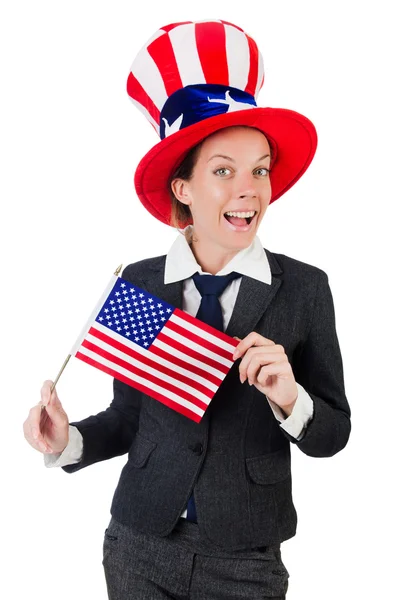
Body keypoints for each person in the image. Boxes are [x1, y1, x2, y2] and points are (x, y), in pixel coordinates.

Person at [23, 19, 351, 599]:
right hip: (138, 547)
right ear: (183, 188)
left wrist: (289, 397)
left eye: (259, 170)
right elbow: (129, 420)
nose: (248, 189)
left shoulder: (303, 288)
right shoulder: (143, 283)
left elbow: (332, 434)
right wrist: (64, 440)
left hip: (246, 560)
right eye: (223, 170)